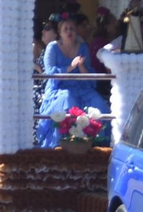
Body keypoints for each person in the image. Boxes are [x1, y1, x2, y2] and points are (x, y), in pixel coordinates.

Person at [35, 15, 110, 148]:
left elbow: (89, 77)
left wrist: (81, 66)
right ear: (60, 32)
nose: (69, 32)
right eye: (66, 29)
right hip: (59, 89)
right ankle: (63, 143)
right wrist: (70, 67)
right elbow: (50, 74)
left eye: (72, 29)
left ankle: (98, 143)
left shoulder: (82, 47)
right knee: (68, 100)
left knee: (98, 102)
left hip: (82, 88)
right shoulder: (52, 48)